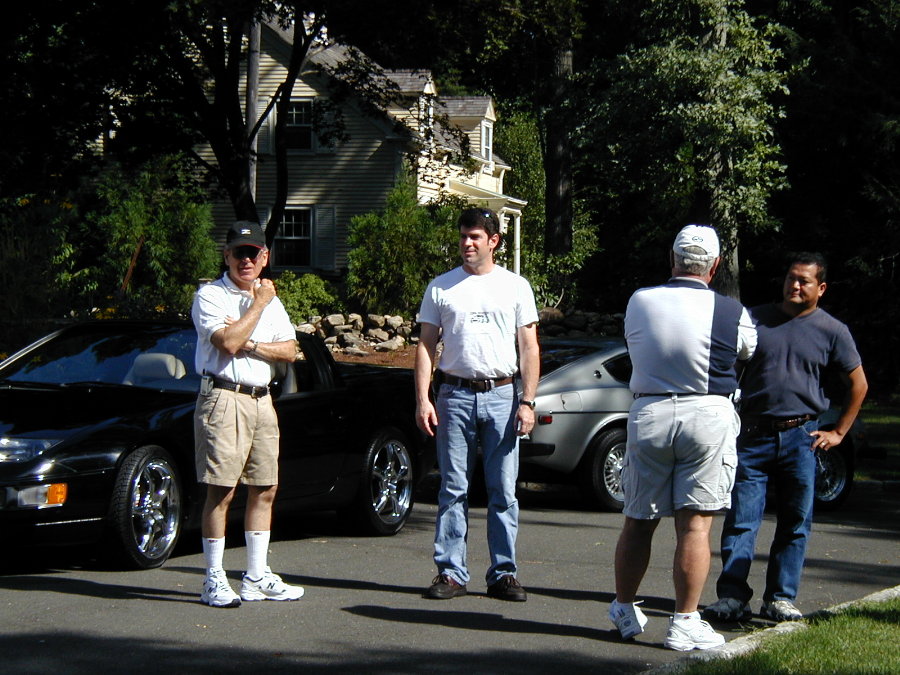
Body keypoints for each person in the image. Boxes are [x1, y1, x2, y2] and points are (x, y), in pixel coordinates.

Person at [610, 225, 757, 651]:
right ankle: (685, 620)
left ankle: (623, 605)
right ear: (713, 266)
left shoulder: (641, 300)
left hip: (650, 410)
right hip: (707, 412)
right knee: (695, 524)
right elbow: (747, 349)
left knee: (638, 519)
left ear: (672, 260)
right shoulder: (732, 312)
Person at [705, 252, 868, 624]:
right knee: (743, 519)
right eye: (791, 278)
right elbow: (730, 369)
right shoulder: (755, 320)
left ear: (820, 288)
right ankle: (732, 597)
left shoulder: (833, 331)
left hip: (802, 437)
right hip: (753, 433)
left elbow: (858, 384)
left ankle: (780, 598)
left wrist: (839, 431)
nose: (795, 286)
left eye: (804, 281)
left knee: (795, 521)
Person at [415, 207, 540, 602]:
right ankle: (450, 572)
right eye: (464, 236)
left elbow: (529, 347)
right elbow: (425, 345)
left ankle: (504, 573)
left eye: (475, 237)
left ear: (494, 242)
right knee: (453, 488)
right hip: (453, 395)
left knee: (503, 489)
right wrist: (423, 398)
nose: (467, 244)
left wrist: (528, 401)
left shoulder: (516, 287)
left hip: (503, 396)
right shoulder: (441, 287)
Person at [191, 220, 305, 608]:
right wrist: (257, 305)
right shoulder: (211, 296)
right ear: (226, 255)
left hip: (262, 399)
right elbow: (226, 342)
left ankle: (256, 576)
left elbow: (290, 351)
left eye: (253, 253)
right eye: (239, 252)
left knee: (265, 488)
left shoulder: (275, 301)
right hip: (224, 398)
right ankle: (214, 579)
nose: (246, 260)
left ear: (264, 257)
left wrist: (250, 341)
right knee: (221, 490)